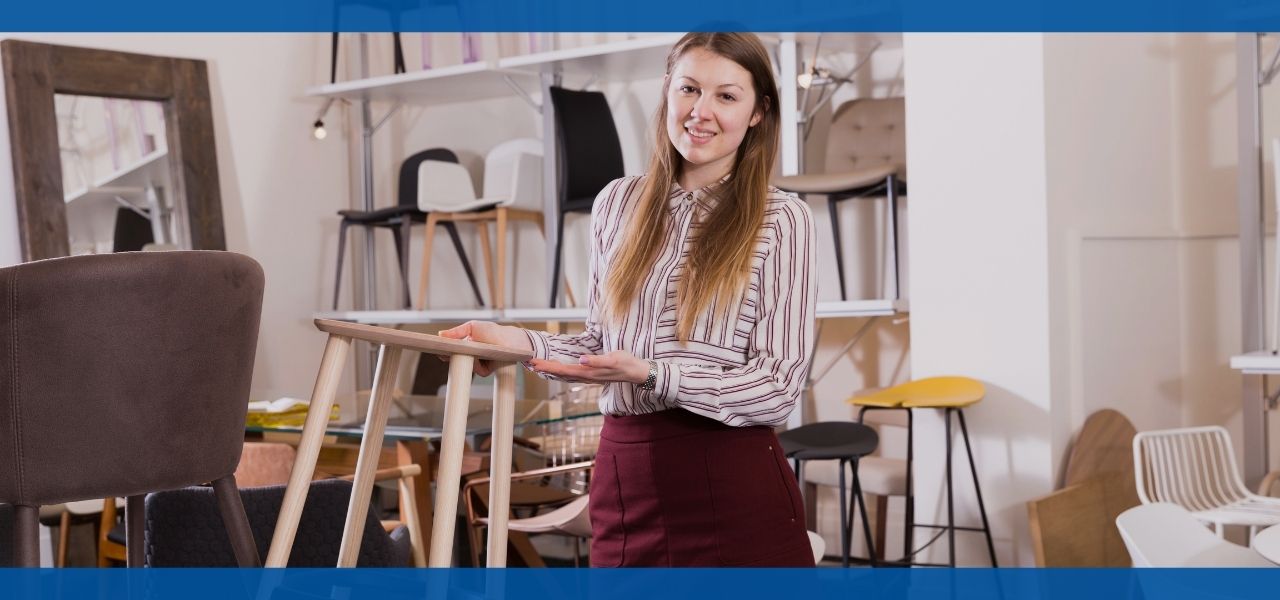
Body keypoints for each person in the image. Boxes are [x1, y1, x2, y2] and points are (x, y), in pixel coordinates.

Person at [440, 32, 816, 567]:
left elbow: (778, 388)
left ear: (759, 113)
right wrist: (516, 342)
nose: (700, 112)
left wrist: (654, 374)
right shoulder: (617, 204)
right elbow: (601, 347)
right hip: (625, 479)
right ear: (667, 91)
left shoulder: (782, 220)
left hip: (732, 480)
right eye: (688, 89)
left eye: (727, 96)